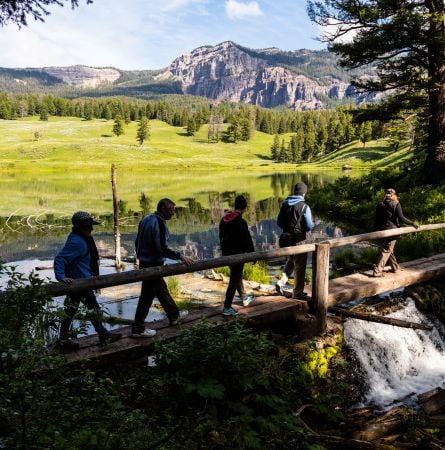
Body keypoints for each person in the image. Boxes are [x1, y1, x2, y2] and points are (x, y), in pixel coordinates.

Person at [54, 211, 122, 351]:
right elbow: (60, 259)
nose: (91, 228)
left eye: (90, 225)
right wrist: (61, 277)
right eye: (87, 226)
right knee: (91, 309)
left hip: (81, 282)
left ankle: (64, 341)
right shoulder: (77, 241)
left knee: (72, 311)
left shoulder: (82, 238)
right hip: (79, 283)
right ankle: (102, 335)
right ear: (78, 227)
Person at [131, 198, 193, 337]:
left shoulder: (146, 219)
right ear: (163, 209)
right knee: (147, 296)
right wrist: (180, 256)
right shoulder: (158, 222)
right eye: (171, 210)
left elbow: (137, 242)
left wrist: (140, 258)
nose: (173, 213)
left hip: (145, 262)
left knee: (160, 290)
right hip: (153, 264)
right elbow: (161, 248)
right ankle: (138, 328)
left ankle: (174, 316)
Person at [276, 182, 314, 299]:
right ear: (303, 193)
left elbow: (279, 223)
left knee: (292, 260)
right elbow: (308, 226)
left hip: (286, 239)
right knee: (300, 266)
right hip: (299, 240)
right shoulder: (304, 207)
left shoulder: (284, 205)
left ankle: (281, 282)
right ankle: (297, 293)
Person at [219, 195, 255, 316]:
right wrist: (252, 254)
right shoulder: (241, 222)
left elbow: (221, 236)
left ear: (235, 206)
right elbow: (247, 240)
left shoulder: (224, 219)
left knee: (236, 276)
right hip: (238, 255)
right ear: (244, 207)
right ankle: (227, 307)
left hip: (226, 254)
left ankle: (244, 298)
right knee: (234, 279)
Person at [372, 188, 419, 277]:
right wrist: (412, 223)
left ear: (385, 194)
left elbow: (376, 219)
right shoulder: (396, 203)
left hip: (382, 231)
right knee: (387, 250)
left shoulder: (380, 204)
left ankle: (395, 267)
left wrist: (375, 230)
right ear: (394, 195)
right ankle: (377, 271)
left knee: (390, 249)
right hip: (392, 231)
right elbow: (402, 218)